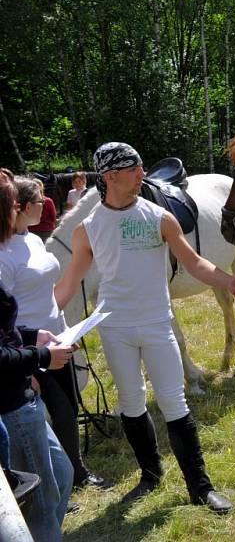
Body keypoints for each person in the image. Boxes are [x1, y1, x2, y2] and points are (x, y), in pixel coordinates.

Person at [55, 142, 235, 514]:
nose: (142, 174)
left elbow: (193, 263)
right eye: (134, 169)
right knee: (131, 403)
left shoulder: (159, 217)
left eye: (142, 167)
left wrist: (227, 280)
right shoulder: (88, 229)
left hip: (158, 324)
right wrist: (38, 325)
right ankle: (150, 475)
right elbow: (65, 289)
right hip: (115, 331)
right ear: (110, 176)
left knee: (174, 402)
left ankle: (201, 487)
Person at [1, 176, 114, 494]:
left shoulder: (34, 240)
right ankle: (53, 485)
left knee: (70, 407)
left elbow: (50, 294)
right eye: (38, 200)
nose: (45, 204)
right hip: (28, 349)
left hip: (54, 339)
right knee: (50, 416)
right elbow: (4, 318)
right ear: (19, 208)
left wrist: (83, 256)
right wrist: (24, 367)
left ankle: (75, 473)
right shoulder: (3, 255)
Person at [1, 167, 77, 542]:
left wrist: (34, 336)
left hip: (21, 385)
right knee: (42, 499)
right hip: (10, 400)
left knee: (59, 476)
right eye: (13, 203)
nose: (20, 207)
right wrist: (39, 356)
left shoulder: (29, 241)